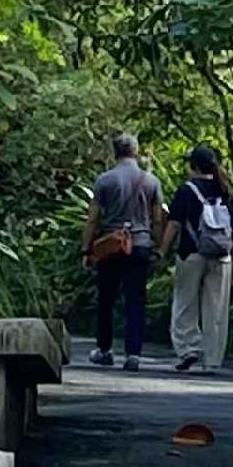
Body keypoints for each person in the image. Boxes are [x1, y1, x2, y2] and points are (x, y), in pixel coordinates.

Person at [82, 133, 164, 372]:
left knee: (106, 299)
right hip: (139, 244)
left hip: (110, 245)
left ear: (114, 152)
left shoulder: (104, 180)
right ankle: (133, 354)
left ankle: (105, 350)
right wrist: (158, 246)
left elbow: (93, 218)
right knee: (135, 300)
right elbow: (158, 219)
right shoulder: (151, 181)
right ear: (136, 152)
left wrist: (86, 249)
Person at [158, 145, 233, 373]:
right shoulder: (225, 191)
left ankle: (189, 348)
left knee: (185, 303)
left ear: (193, 166)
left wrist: (162, 250)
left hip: (191, 253)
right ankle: (213, 359)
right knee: (217, 309)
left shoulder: (186, 190)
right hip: (222, 256)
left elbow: (174, 224)